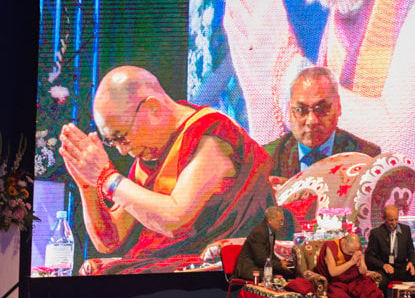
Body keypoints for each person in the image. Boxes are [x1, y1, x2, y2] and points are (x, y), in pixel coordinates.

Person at [222, 0, 415, 214]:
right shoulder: (346, 4)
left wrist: (284, 71)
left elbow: (398, 156)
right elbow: (303, 154)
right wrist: (260, 84)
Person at [59, 65, 275, 274]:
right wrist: (88, 184)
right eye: (112, 143)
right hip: (170, 264)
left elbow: (175, 219)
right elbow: (109, 240)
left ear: (152, 108)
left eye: (121, 138)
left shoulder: (211, 135)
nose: (123, 151)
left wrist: (107, 178)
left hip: (215, 274)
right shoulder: (151, 155)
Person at [263, 66, 380, 179]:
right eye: (300, 110)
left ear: (338, 106)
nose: (311, 121)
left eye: (321, 109)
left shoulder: (366, 157)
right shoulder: (267, 160)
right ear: (289, 111)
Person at [314, 233, 385, 298]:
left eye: (354, 252)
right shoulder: (332, 247)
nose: (352, 254)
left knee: (374, 293)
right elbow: (332, 272)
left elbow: (363, 272)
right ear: (344, 244)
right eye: (350, 252)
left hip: (354, 279)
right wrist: (351, 262)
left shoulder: (356, 248)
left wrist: (360, 261)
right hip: (337, 281)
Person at [233, 206, 293, 281]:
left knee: (289, 273)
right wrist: (279, 265)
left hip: (260, 266)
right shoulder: (259, 232)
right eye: (279, 221)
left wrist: (280, 262)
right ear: (270, 220)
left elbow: (269, 254)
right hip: (249, 269)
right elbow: (260, 259)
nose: (282, 224)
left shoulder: (271, 232)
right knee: (277, 279)